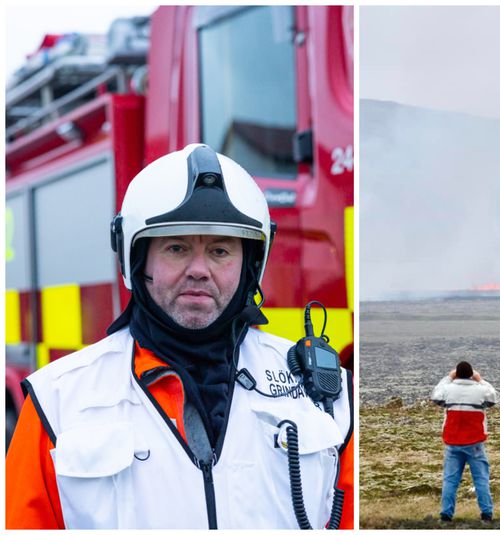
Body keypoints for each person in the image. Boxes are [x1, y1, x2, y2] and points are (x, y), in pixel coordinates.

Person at [6, 144, 354, 529]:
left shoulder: (325, 393)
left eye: (220, 250)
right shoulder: (57, 403)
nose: (199, 270)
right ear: (137, 260)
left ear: (250, 265)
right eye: (176, 248)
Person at [431, 361, 499, 523]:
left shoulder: (448, 389)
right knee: (481, 479)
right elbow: (493, 397)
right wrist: (480, 379)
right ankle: (486, 515)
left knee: (450, 480)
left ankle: (446, 515)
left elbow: (436, 396)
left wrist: (448, 377)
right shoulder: (480, 390)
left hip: (452, 442)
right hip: (474, 443)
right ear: (471, 374)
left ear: (456, 374)